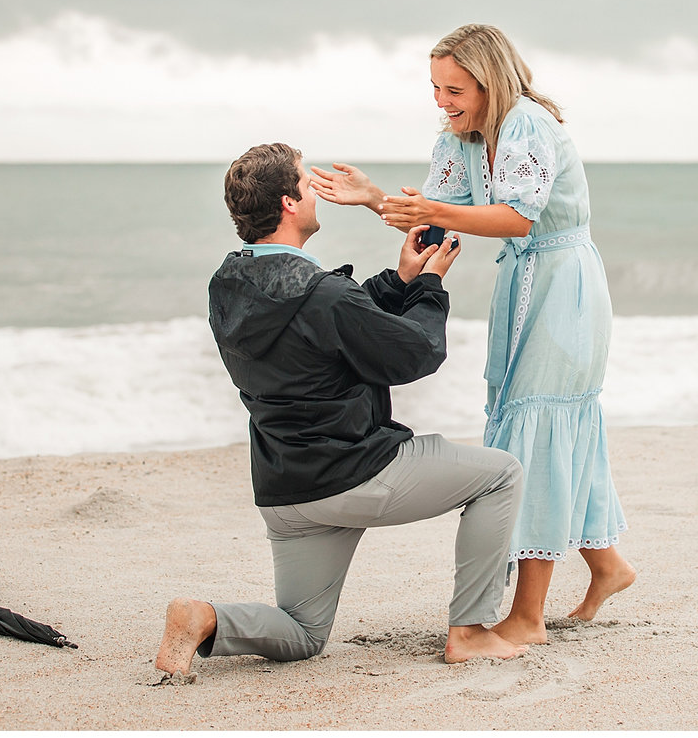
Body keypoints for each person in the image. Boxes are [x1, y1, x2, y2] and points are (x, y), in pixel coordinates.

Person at [310, 24, 635, 645]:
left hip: (564, 286)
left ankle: (528, 616)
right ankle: (608, 565)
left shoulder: (527, 125)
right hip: (522, 283)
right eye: (435, 87)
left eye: (454, 88)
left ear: (492, 81)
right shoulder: (461, 139)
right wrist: (377, 199)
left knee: (538, 429)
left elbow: (516, 216)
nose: (442, 100)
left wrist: (429, 212)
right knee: (535, 420)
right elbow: (437, 222)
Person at [154, 142, 526, 679]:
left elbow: (327, 326)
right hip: (355, 474)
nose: (316, 193)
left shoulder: (228, 285)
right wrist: (429, 286)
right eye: (308, 184)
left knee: (304, 633)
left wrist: (399, 282)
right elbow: (414, 352)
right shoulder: (323, 295)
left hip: (287, 491)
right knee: (501, 475)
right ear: (288, 203)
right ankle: (470, 632)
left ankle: (206, 618)